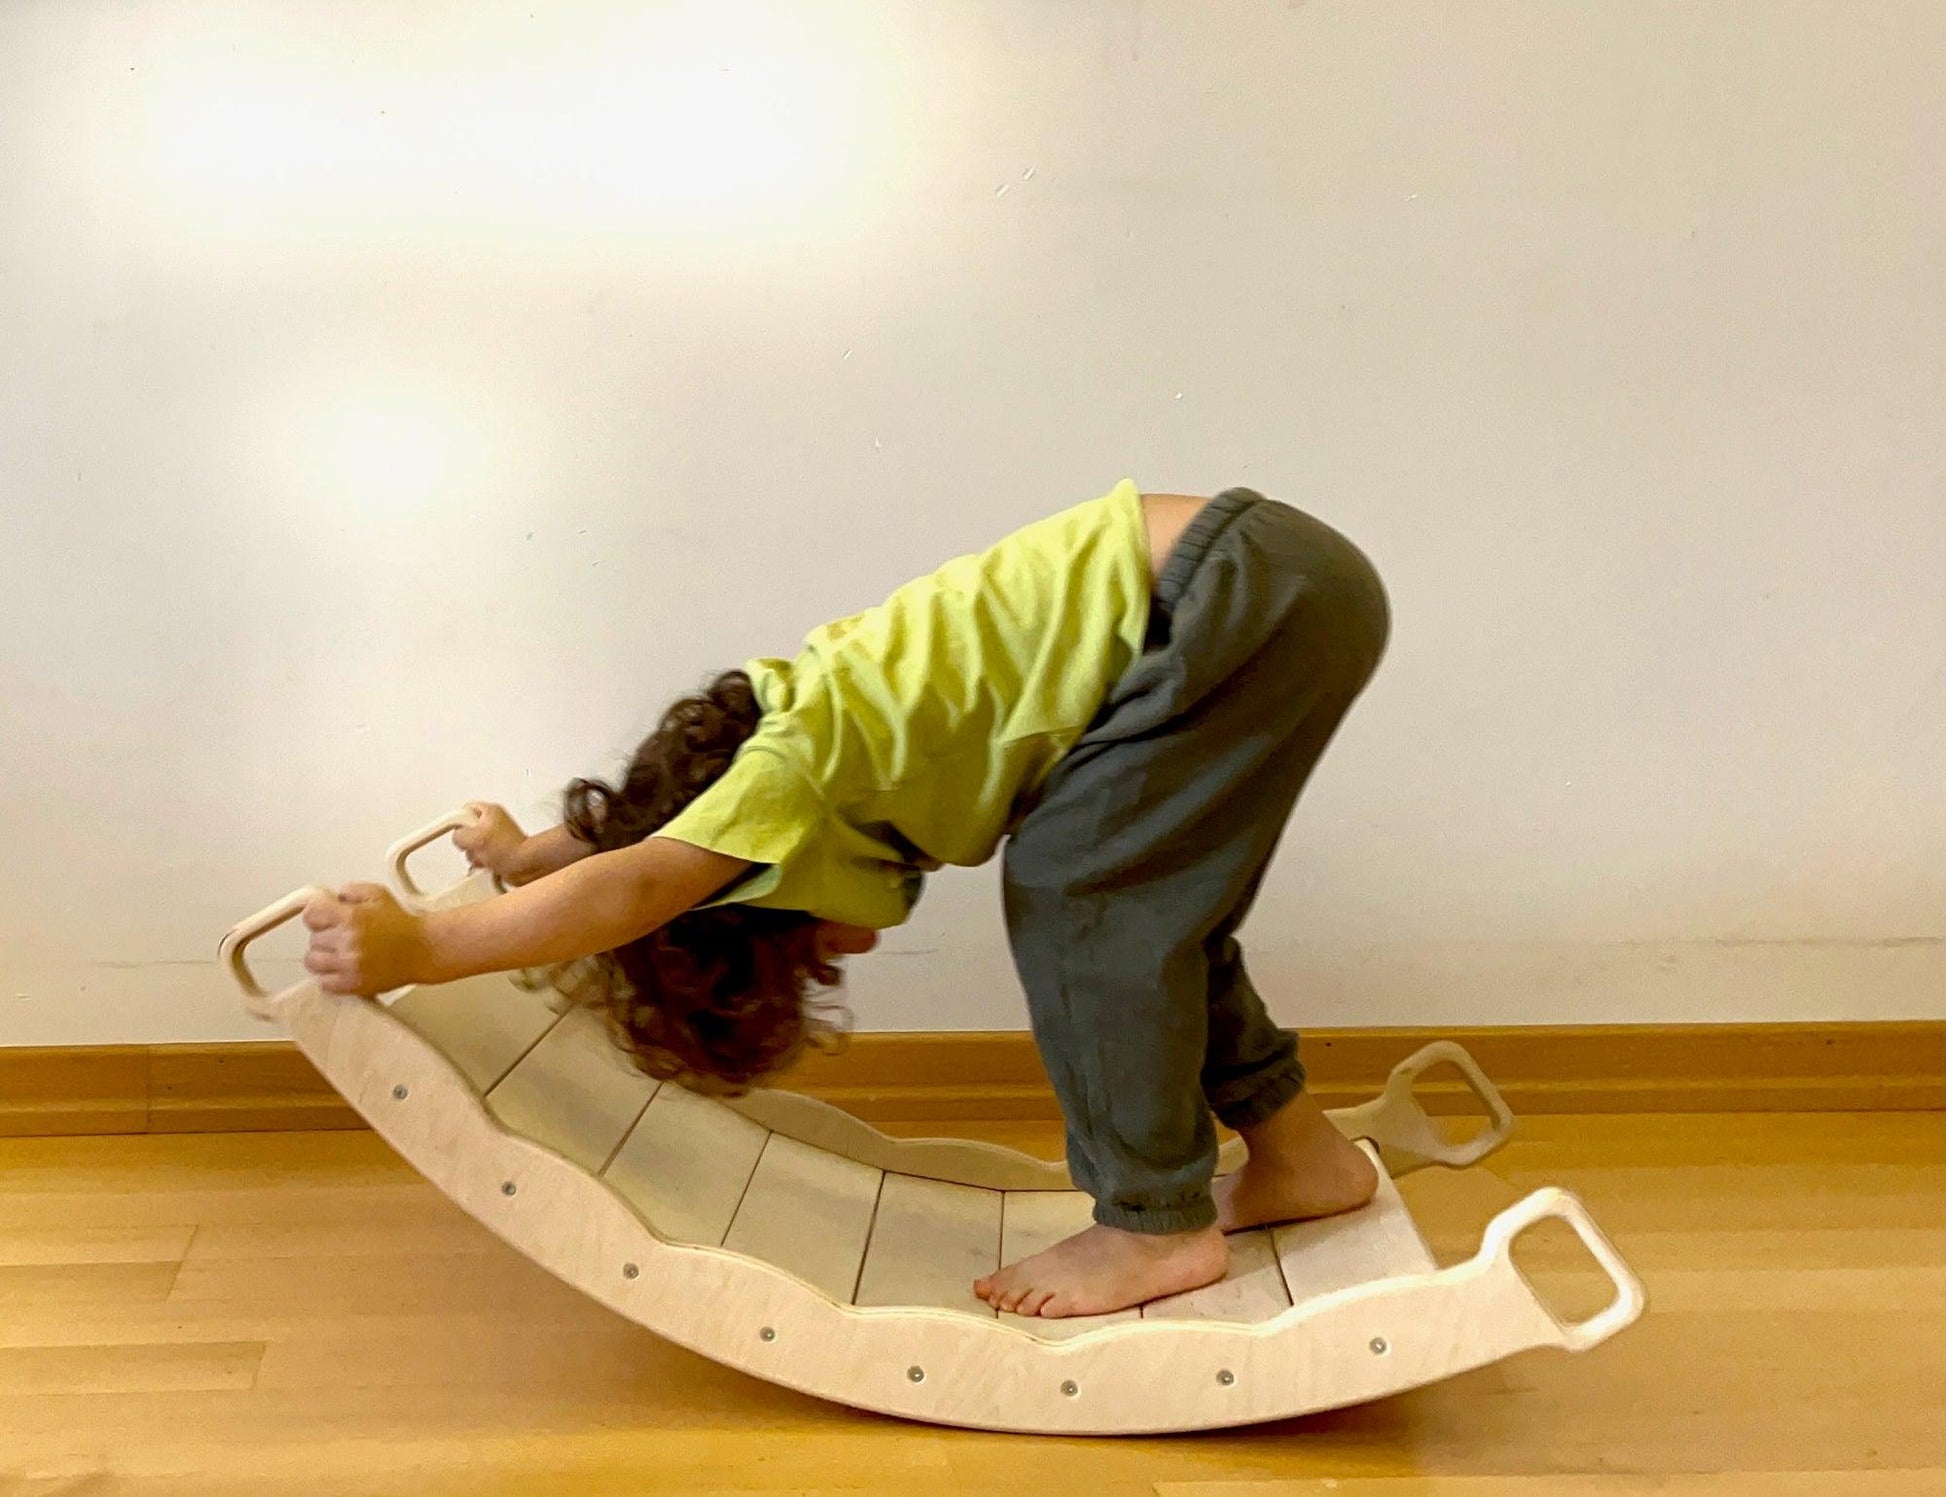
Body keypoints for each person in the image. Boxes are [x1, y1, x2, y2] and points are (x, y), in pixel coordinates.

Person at [300, 481, 1391, 1317]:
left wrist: (423, 949)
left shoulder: (793, 780)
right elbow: (640, 827)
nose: (849, 948)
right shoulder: (785, 733)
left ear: (751, 898)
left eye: (810, 949)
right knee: (1143, 912)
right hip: (1256, 578)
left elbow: (636, 882)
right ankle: (1301, 1157)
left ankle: (1154, 1227)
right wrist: (528, 850)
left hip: (1229, 594)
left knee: (1082, 899)